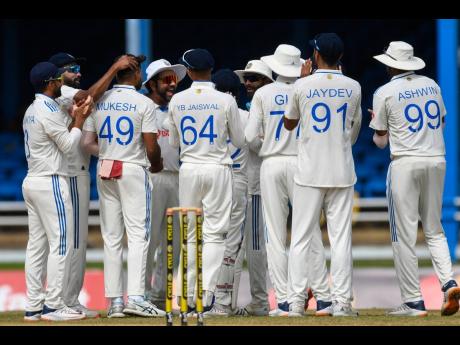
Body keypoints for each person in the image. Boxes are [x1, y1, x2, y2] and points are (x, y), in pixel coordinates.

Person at [370, 41, 460, 316]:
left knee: (403, 236)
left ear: (390, 64)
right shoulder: (432, 84)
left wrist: (377, 125)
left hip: (405, 163)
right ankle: (449, 282)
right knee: (435, 229)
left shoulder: (384, 92)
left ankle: (412, 302)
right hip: (436, 159)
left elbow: (381, 142)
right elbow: (442, 122)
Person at [48, 52, 139, 318]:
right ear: (58, 74)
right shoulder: (63, 91)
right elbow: (87, 98)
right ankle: (63, 301)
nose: (78, 73)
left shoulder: (64, 92)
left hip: (76, 170)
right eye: (72, 69)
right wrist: (113, 68)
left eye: (78, 68)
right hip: (69, 173)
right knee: (71, 241)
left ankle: (69, 300)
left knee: (77, 241)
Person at [245, 44, 328, 317]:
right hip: (302, 163)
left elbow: (249, 138)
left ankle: (284, 301)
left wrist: (269, 147)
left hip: (271, 164)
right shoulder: (308, 89)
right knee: (309, 232)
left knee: (275, 235)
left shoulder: (263, 94)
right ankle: (323, 299)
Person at [284, 33, 362, 317]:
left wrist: (301, 81)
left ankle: (294, 302)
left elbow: (289, 123)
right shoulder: (353, 86)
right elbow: (353, 128)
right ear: (340, 57)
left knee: (301, 238)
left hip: (309, 172)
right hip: (341, 170)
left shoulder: (302, 85)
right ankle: (341, 303)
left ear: (315, 56)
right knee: (341, 239)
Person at [81, 54, 164, 318]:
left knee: (112, 237)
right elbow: (151, 147)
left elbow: (86, 143)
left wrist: (108, 152)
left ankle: (115, 302)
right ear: (137, 75)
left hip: (105, 166)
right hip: (133, 168)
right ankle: (137, 297)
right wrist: (156, 163)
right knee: (139, 234)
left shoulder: (100, 101)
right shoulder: (143, 103)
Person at [167, 49, 245, 312]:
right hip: (217, 167)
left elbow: (173, 142)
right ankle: (206, 292)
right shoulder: (225, 100)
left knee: (189, 232)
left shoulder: (177, 99)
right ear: (211, 70)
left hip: (189, 167)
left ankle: (187, 295)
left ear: (188, 71)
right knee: (215, 233)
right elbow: (240, 139)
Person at [23, 61, 93, 321]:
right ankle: (53, 306)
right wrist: (79, 119)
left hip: (32, 180)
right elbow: (67, 145)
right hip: (51, 180)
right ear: (51, 83)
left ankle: (33, 306)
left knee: (36, 246)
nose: (60, 84)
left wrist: (71, 117)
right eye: (57, 81)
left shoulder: (32, 108)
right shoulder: (46, 110)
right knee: (61, 243)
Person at [203, 68, 250, 316]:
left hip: (211, 179)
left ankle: (205, 299)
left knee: (210, 240)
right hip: (237, 180)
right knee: (231, 244)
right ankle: (222, 302)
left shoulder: (206, 112)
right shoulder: (245, 115)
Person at [142, 59, 186, 309]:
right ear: (151, 84)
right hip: (151, 177)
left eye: (174, 79)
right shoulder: (143, 106)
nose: (172, 84)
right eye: (165, 80)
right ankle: (142, 294)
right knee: (148, 240)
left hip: (178, 177)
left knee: (174, 241)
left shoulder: (177, 108)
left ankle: (160, 295)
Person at [232, 60, 273, 316]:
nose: (248, 83)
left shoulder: (267, 107)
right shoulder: (239, 111)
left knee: (256, 248)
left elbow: (265, 143)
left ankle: (260, 301)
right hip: (237, 185)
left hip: (257, 184)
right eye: (246, 78)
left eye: (254, 79)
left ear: (267, 82)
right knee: (234, 247)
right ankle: (228, 302)